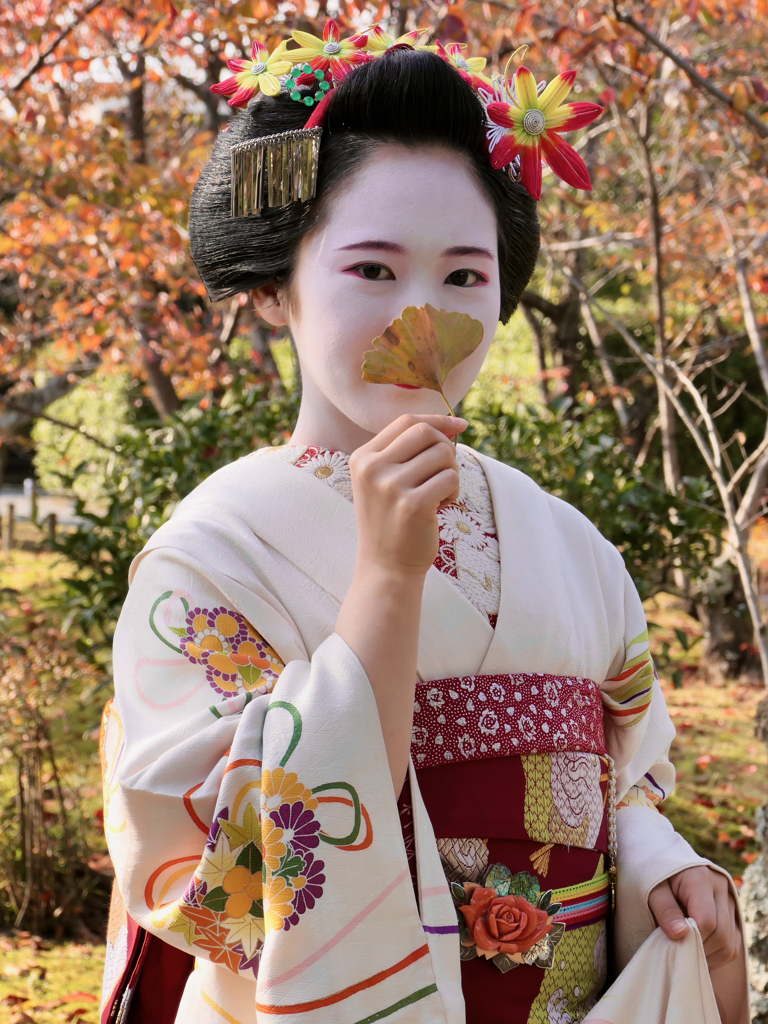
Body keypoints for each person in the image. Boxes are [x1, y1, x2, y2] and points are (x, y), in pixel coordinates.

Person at [98, 28, 748, 1024]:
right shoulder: (211, 559)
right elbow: (211, 885)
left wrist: (662, 863)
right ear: (275, 288)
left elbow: (623, 784)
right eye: (371, 270)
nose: (424, 320)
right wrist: (388, 585)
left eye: (463, 278)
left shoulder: (566, 542)